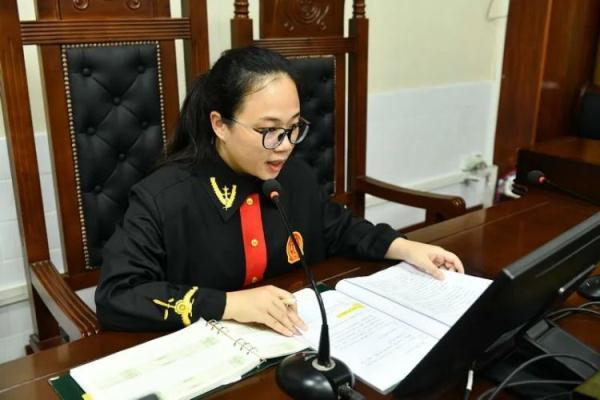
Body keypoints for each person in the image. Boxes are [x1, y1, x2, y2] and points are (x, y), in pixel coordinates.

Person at [95, 46, 464, 336]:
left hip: (294, 340)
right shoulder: (164, 197)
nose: (285, 146)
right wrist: (230, 305)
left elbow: (336, 227)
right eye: (269, 130)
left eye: (293, 128)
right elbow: (117, 296)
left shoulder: (293, 175)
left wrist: (406, 248)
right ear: (220, 124)